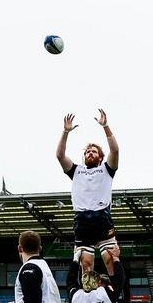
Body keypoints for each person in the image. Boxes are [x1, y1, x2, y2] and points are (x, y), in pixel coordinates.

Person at [56, 109, 120, 275]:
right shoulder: (76, 170)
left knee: (110, 259)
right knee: (86, 263)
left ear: (100, 157)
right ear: (84, 157)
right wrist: (65, 132)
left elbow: (115, 150)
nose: (90, 153)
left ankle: (118, 298)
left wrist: (105, 126)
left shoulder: (107, 169)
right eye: (87, 152)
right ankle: (88, 298)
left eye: (93, 151)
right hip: (82, 220)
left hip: (102, 217)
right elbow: (60, 155)